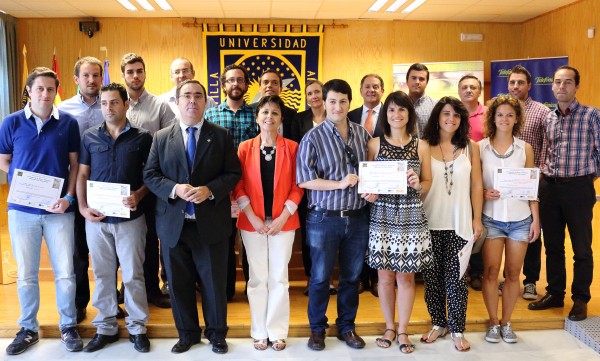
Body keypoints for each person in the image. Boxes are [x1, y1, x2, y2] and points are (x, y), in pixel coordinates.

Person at [144, 79, 241, 354]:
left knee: (213, 284)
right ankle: (187, 334)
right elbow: (150, 175)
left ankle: (217, 334)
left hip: (210, 224)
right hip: (174, 224)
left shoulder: (220, 135)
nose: (192, 101)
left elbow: (233, 173)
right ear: (176, 102)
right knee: (178, 283)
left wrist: (210, 190)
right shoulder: (162, 137)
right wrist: (174, 188)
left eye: (198, 96)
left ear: (204, 102)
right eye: (186, 95)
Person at [0, 67, 83, 355]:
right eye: (40, 89)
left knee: (65, 272)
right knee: (25, 273)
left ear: (56, 91)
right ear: (29, 91)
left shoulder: (68, 123)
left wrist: (69, 198)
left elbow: (75, 166)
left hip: (59, 209)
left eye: (50, 89)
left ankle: (68, 325)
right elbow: (4, 160)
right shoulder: (10, 122)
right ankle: (28, 328)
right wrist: (26, 186)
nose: (45, 94)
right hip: (21, 210)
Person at [297, 79, 377, 351]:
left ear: (349, 103)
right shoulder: (313, 137)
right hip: (323, 218)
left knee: (351, 277)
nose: (337, 106)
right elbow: (304, 180)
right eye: (332, 101)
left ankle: (346, 327)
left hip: (357, 217)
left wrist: (372, 190)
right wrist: (339, 184)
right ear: (323, 102)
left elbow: (372, 172)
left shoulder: (362, 135)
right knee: (320, 278)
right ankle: (317, 329)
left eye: (343, 101)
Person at [76, 83, 152, 353]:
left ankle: (137, 327)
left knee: (133, 274)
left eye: (114, 102)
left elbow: (151, 177)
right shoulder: (89, 137)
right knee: (103, 274)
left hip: (131, 218)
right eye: (104, 103)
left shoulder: (143, 138)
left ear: (126, 104)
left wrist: (139, 196)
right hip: (96, 220)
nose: (109, 108)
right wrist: (83, 208)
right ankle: (106, 326)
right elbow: (82, 175)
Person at [528, 66, 600, 322]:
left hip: (578, 188)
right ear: (552, 86)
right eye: (557, 82)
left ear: (576, 86)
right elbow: (546, 151)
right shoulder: (548, 117)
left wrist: (587, 177)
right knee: (553, 246)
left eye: (567, 82)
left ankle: (580, 299)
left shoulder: (592, 115)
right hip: (550, 187)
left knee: (581, 248)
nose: (562, 87)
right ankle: (555, 293)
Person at [234, 95, 303, 351]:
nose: (269, 117)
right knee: (257, 278)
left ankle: (276, 331)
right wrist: (253, 217)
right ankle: (259, 331)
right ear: (257, 117)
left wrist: (282, 217)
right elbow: (237, 186)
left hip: (283, 223)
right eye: (264, 112)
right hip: (251, 222)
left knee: (279, 278)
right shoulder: (244, 148)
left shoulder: (293, 148)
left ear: (281, 118)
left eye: (275, 113)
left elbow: (298, 187)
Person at [366, 91, 433, 354]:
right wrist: (368, 192)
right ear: (386, 114)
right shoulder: (374, 144)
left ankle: (403, 330)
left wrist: (419, 183)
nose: (396, 115)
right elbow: (368, 181)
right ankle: (389, 326)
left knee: (406, 277)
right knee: (384, 277)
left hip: (410, 215)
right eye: (392, 110)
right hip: (382, 214)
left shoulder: (421, 145)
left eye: (402, 110)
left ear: (409, 114)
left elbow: (428, 182)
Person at [420, 96, 484, 352]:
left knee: (456, 280)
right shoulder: (423, 146)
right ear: (437, 116)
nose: (451, 119)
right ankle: (438, 323)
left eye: (456, 115)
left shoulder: (471, 147)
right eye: (446, 113)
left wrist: (476, 218)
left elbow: (477, 184)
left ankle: (457, 329)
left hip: (460, 223)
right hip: (428, 222)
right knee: (432, 279)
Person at [479, 95, 540, 344]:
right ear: (493, 117)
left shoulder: (525, 148)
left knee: (513, 274)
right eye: (500, 114)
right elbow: (473, 185)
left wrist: (536, 220)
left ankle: (507, 322)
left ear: (517, 119)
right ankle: (493, 322)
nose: (505, 119)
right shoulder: (479, 147)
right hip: (491, 218)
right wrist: (483, 193)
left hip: (520, 219)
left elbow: (531, 188)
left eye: (510, 115)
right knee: (491, 272)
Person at [121, 52, 175, 309]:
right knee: (123, 238)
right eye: (130, 72)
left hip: (153, 183)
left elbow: (171, 143)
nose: (135, 76)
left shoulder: (160, 106)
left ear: (145, 73)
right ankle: (126, 287)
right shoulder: (113, 103)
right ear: (123, 76)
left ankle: (153, 288)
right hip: (121, 182)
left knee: (152, 237)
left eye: (139, 71)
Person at [205, 64, 258, 301]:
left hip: (251, 187)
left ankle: (252, 289)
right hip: (221, 188)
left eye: (240, 80)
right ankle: (225, 290)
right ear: (224, 85)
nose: (235, 84)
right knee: (223, 241)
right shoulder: (210, 115)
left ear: (246, 85)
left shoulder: (256, 114)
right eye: (230, 80)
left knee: (250, 240)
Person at [57, 56, 105, 323]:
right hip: (74, 188)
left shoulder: (111, 104)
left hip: (105, 188)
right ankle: (79, 304)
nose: (91, 80)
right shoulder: (63, 110)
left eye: (96, 75)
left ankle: (109, 303)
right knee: (77, 251)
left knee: (107, 251)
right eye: (86, 75)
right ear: (76, 79)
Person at [498, 65, 550, 300]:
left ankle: (529, 281)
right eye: (512, 82)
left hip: (530, 181)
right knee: (501, 230)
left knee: (529, 232)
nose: (516, 86)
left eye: (521, 82)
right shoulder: (500, 108)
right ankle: (508, 278)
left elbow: (548, 145)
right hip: (502, 186)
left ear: (529, 85)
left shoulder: (540, 111)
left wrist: (538, 174)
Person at [292, 80, 334, 296]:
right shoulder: (299, 120)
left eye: (318, 91)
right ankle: (312, 278)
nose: (314, 96)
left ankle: (328, 279)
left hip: (335, 187)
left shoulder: (335, 117)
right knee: (311, 236)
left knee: (331, 235)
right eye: (310, 93)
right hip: (307, 187)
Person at [347, 73, 385, 295]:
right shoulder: (350, 115)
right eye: (367, 87)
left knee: (378, 232)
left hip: (383, 183)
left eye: (376, 87)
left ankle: (377, 278)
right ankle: (360, 277)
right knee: (359, 233)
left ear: (382, 91)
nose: (371, 90)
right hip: (356, 183)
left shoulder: (391, 115)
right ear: (360, 90)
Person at [457, 74, 486, 291]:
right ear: (458, 91)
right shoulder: (452, 114)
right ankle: (460, 270)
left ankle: (476, 271)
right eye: (464, 87)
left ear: (479, 91)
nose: (468, 90)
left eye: (473, 87)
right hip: (456, 179)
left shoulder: (487, 115)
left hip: (480, 177)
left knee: (478, 223)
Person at [249, 69, 297, 138]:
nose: (269, 85)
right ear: (259, 88)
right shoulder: (249, 110)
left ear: (281, 89)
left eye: (274, 83)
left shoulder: (292, 114)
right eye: (266, 82)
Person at [406, 63, 436, 138]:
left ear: (427, 83)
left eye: (421, 79)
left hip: (429, 149)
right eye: (413, 78)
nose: (417, 82)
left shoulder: (435, 106)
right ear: (407, 81)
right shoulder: (398, 105)